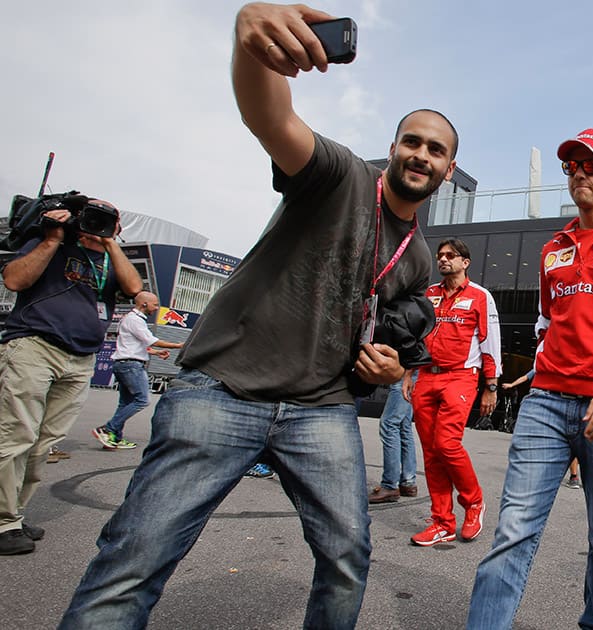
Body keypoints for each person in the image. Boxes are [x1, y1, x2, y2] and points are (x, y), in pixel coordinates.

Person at [60, 4, 455, 627]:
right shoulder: (340, 175)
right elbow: (271, 116)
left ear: (447, 170)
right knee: (133, 560)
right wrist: (250, 41)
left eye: (436, 150)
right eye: (413, 141)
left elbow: (385, 342)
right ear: (393, 148)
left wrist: (385, 372)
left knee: (348, 558)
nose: (421, 155)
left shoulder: (420, 258)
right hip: (221, 389)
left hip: (321, 409)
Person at [467, 128, 593, 629]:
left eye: (591, 164)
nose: (580, 172)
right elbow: (544, 323)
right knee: (514, 528)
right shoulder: (553, 249)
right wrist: (541, 372)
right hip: (547, 403)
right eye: (571, 165)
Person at [0, 199, 140, 556]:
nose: (100, 223)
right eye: (93, 216)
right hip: (35, 344)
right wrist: (51, 238)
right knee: (17, 433)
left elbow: (135, 289)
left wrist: (110, 243)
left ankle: (14, 513)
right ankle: (3, 522)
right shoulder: (53, 244)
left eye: (110, 219)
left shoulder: (110, 260)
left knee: (44, 440)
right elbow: (15, 279)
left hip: (80, 358)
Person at [405, 238, 501, 546]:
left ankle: (473, 502)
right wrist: (408, 372)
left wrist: (491, 387)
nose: (444, 259)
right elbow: (415, 336)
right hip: (425, 376)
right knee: (431, 454)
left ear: (465, 262)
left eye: (451, 255)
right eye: (441, 255)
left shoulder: (480, 296)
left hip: (460, 377)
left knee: (447, 444)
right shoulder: (429, 294)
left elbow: (490, 344)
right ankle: (442, 521)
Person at [91, 291, 184, 450]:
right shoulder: (135, 320)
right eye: (155, 304)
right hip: (131, 365)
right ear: (144, 304)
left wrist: (155, 352)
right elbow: (151, 340)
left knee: (125, 403)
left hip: (124, 363)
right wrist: (178, 346)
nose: (156, 308)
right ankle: (108, 428)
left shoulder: (130, 319)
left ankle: (114, 438)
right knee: (142, 400)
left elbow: (133, 344)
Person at [368, 377, 419, 503]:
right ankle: (408, 482)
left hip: (405, 372)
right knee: (403, 426)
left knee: (389, 424)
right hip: (411, 371)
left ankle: (390, 485)